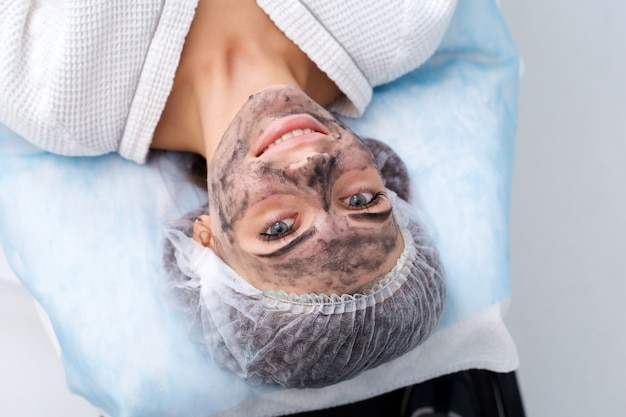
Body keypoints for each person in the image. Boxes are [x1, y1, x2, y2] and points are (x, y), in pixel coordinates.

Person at [0, 0, 455, 388]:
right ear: (385, 179)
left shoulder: (53, 97)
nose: (311, 165)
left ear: (208, 245)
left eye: (280, 228)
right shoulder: (400, 22)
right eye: (359, 201)